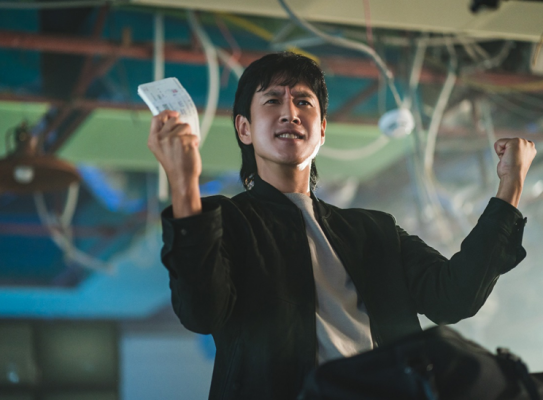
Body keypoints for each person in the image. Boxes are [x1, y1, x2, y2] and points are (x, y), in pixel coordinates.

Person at [147, 52, 536, 400]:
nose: (290, 112)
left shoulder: (374, 231)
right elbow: (201, 311)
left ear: (321, 130)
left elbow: (454, 297)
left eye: (303, 101)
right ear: (244, 129)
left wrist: (510, 185)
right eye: (272, 100)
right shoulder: (225, 221)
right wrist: (183, 183)